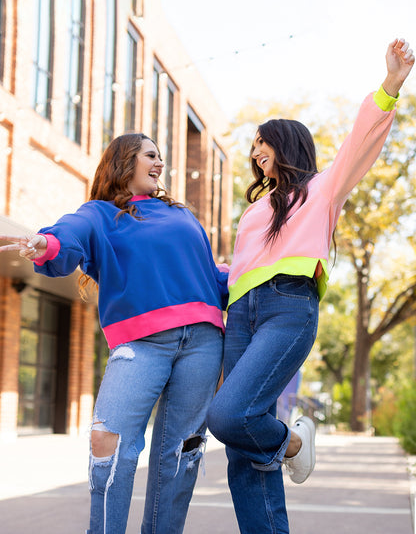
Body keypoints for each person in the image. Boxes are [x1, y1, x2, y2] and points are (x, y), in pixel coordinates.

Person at [207, 38, 415, 534]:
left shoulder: (321, 190)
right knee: (242, 452)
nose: (255, 151)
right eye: (253, 145)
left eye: (262, 141)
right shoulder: (256, 208)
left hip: (287, 307)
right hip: (240, 313)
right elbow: (236, 274)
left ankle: (295, 442)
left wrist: (390, 85)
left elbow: (361, 141)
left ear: (286, 143)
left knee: (229, 415)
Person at [0, 133, 228, 534]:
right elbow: (66, 235)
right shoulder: (100, 214)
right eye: (151, 155)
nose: (160, 163)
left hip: (204, 343)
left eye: (161, 157)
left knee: (182, 453)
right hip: (141, 344)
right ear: (125, 160)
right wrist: (45, 243)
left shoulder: (183, 216)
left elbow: (213, 276)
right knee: (107, 442)